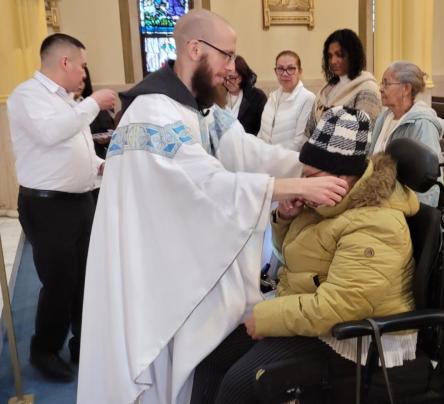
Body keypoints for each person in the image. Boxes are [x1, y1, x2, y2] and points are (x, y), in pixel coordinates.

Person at [77, 9, 347, 404]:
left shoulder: (197, 107)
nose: (231, 67)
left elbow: (246, 150)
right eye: (226, 55)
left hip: (180, 257)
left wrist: (308, 167)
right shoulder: (153, 113)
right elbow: (205, 185)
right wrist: (291, 188)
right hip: (154, 272)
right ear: (194, 49)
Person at [192, 106, 422, 404]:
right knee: (211, 358)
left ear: (342, 175)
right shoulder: (330, 201)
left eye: (312, 176)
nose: (305, 182)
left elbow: (339, 306)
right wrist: (286, 218)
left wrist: (264, 318)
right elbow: (289, 256)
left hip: (352, 339)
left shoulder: (377, 224)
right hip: (313, 316)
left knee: (239, 385)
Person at [6, 33, 116, 382]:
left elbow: (74, 146)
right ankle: (45, 349)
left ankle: (83, 342)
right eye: (82, 64)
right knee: (59, 281)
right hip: (48, 206)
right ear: (65, 62)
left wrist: (97, 167)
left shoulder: (67, 99)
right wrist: (94, 103)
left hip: (80, 199)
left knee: (86, 277)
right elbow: (51, 134)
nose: (85, 72)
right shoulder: (28, 96)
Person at [370, 61, 444, 207]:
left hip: (403, 208)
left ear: (406, 88)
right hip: (377, 199)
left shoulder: (422, 125)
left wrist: (418, 218)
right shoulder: (384, 117)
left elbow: (429, 184)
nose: (380, 89)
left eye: (386, 84)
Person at [305, 28, 381, 138]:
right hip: (316, 152)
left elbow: (363, 133)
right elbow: (310, 129)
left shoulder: (367, 89)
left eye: (339, 55)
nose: (333, 61)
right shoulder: (327, 89)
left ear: (352, 55)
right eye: (330, 56)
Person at [257, 50, 315, 151]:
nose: (285, 73)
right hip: (266, 160)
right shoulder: (272, 97)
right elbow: (262, 133)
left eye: (291, 68)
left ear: (300, 71)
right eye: (280, 69)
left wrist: (271, 155)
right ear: (275, 71)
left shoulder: (308, 98)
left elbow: (300, 141)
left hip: (290, 162)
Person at [223, 55, 267, 135]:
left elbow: (263, 130)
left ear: (242, 76)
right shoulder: (219, 95)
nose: (228, 82)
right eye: (225, 78)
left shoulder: (257, 97)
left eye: (232, 78)